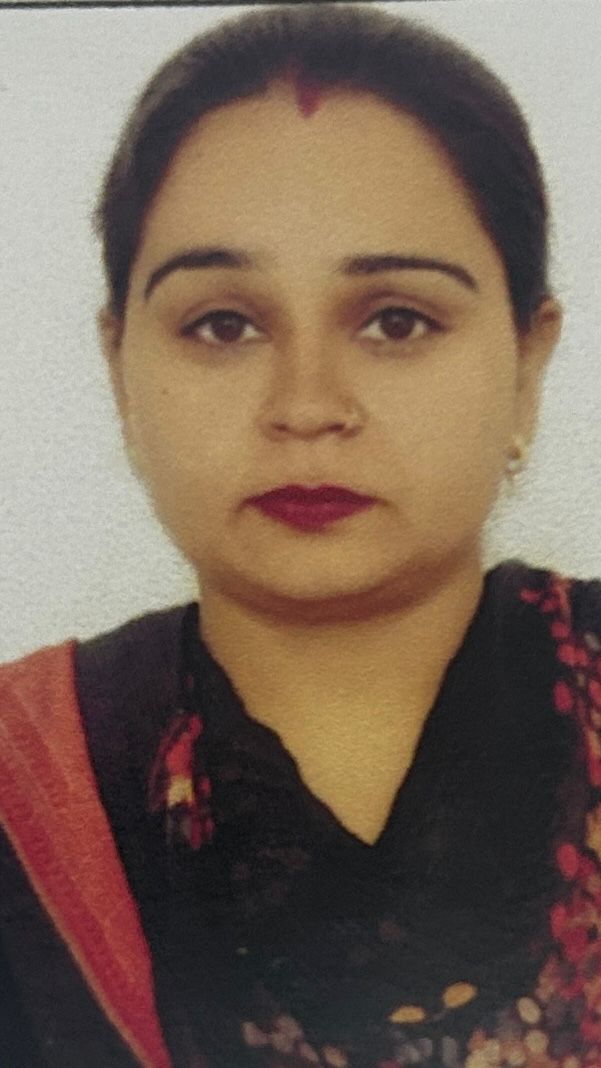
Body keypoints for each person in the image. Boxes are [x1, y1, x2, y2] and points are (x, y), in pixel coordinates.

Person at [0, 3, 599, 1066]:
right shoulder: (22, 789)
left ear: (525, 364)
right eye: (222, 325)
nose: (307, 405)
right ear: (120, 371)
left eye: (396, 321)